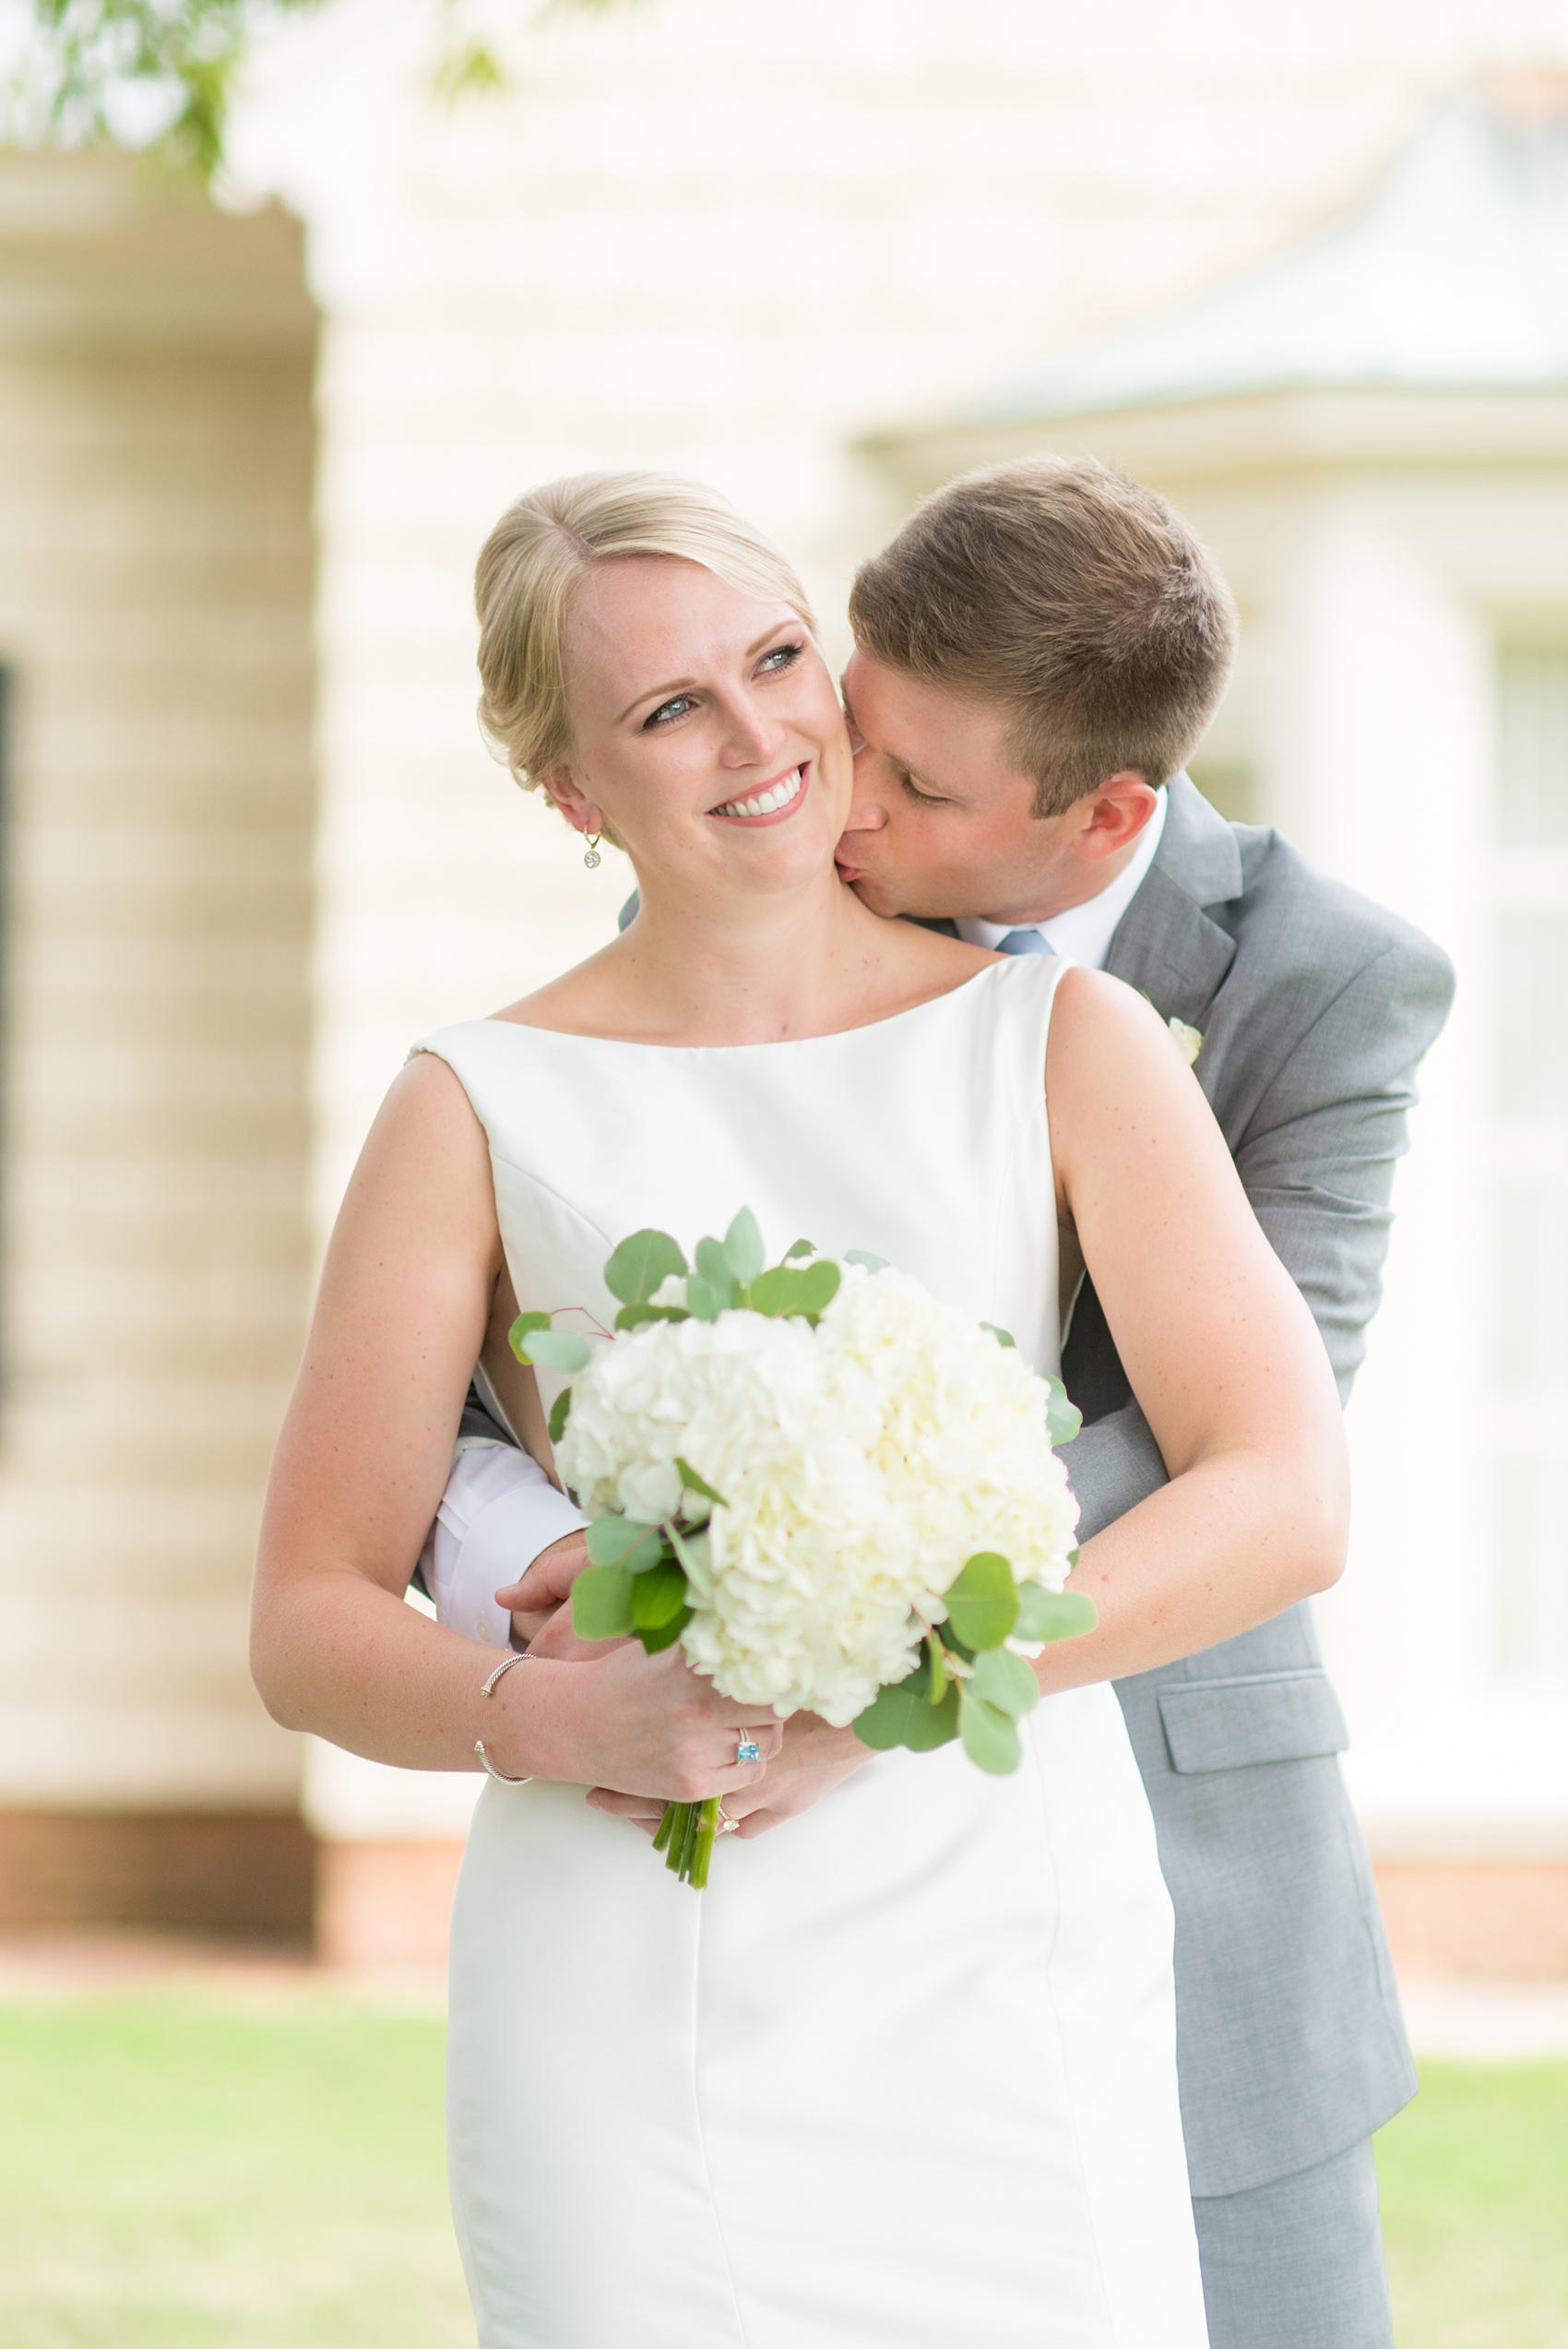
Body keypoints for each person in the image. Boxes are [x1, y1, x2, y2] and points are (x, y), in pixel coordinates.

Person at [252, 469, 1349, 2348]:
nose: (755, 733)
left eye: (776, 660)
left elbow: (1282, 1492)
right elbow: (306, 1618)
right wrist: (540, 1709)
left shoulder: (1056, 1043)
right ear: (568, 791)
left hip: (1006, 1944)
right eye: (670, 706)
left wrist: (923, 1668)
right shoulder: (473, 1102)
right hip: (630, 1972)